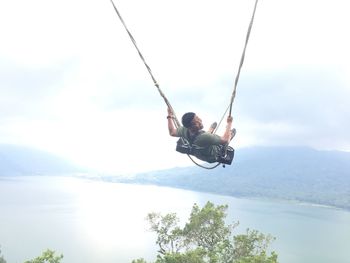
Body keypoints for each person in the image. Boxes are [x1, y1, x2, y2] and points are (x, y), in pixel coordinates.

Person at [167, 107, 236, 163]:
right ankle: (225, 135)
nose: (200, 121)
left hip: (199, 151)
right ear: (191, 127)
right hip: (212, 156)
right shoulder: (204, 137)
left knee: (204, 138)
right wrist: (229, 123)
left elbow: (172, 132)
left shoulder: (184, 129)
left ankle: (210, 131)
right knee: (224, 140)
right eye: (196, 122)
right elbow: (225, 140)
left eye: (198, 118)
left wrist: (169, 116)